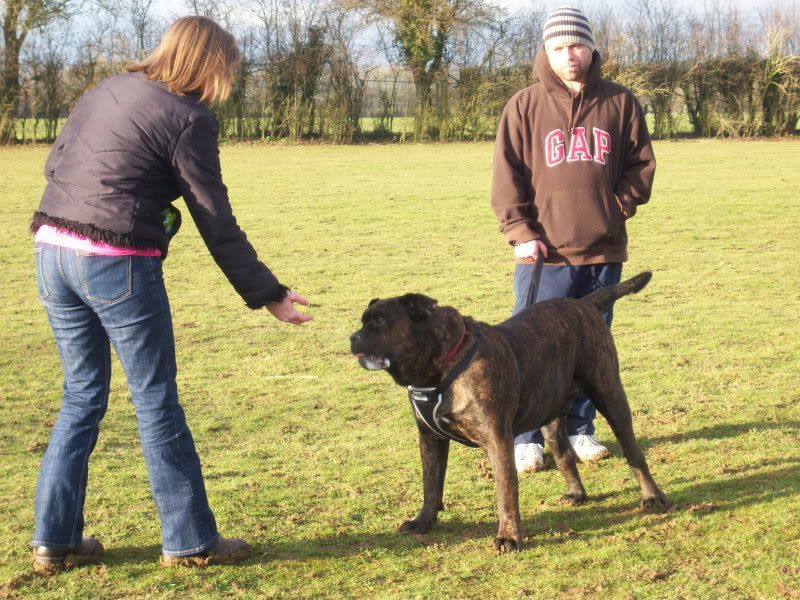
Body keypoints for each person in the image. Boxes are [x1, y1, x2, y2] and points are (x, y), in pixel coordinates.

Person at [29, 16, 312, 571]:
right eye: (226, 67)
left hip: (50, 250)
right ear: (211, 64)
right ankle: (189, 540)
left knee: (82, 397)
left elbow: (57, 164)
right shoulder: (189, 117)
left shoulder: (107, 88)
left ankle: (53, 540)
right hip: (115, 264)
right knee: (155, 400)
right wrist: (268, 293)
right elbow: (215, 217)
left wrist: (151, 203)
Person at [490, 6, 656, 473]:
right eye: (560, 48)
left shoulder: (621, 102)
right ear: (546, 50)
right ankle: (526, 438)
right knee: (529, 348)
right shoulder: (523, 105)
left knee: (592, 347)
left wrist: (617, 204)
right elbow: (508, 177)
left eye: (577, 46)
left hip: (602, 250)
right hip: (544, 254)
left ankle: (581, 430)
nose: (570, 56)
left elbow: (640, 165)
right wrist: (521, 232)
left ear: (591, 47)